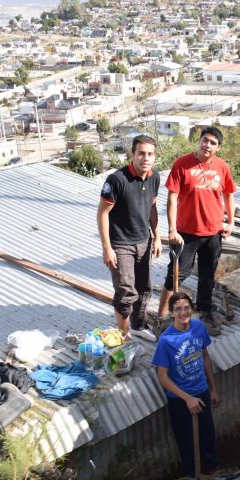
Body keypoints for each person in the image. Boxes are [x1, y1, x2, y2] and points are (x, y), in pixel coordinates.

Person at [157, 126, 236, 336]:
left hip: (213, 233)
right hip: (186, 233)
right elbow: (172, 197)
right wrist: (172, 229)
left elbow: (229, 195)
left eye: (212, 143)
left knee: (207, 276)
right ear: (199, 141)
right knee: (175, 276)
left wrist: (231, 222)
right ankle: (163, 316)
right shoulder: (182, 164)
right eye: (205, 140)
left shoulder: (222, 167)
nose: (207, 145)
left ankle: (204, 310)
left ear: (218, 148)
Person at [97, 134, 161, 340]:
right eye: (141, 153)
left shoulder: (154, 177)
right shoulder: (117, 180)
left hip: (144, 241)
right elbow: (102, 213)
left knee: (144, 289)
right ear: (132, 154)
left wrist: (157, 236)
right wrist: (107, 248)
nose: (146, 158)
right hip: (120, 244)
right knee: (126, 293)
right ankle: (124, 335)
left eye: (150, 154)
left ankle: (138, 326)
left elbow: (152, 207)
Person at [152, 292, 220, 477]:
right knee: (186, 441)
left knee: (208, 435)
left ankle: (213, 473)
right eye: (178, 309)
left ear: (192, 309)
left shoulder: (198, 327)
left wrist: (213, 389)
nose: (183, 312)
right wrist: (188, 398)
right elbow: (163, 377)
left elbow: (205, 356)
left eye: (187, 307)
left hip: (202, 391)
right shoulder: (166, 340)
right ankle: (193, 478)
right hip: (180, 400)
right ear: (171, 313)